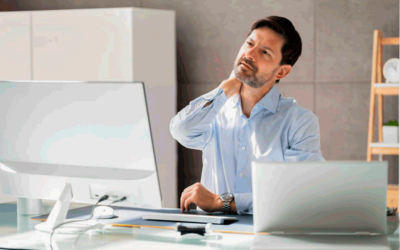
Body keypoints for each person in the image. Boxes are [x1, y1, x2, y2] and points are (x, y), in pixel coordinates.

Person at [170, 16, 325, 215]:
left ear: (282, 72)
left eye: (265, 52)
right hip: (214, 239)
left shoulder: (300, 122)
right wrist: (225, 88)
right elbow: (180, 130)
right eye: (249, 43)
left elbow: (301, 193)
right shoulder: (214, 111)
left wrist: (221, 202)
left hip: (271, 238)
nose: (249, 54)